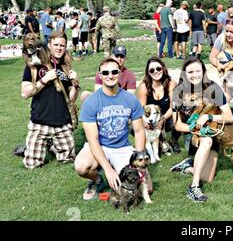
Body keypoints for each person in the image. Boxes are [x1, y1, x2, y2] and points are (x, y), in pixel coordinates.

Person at [74, 58, 145, 200]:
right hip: (100, 146)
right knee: (81, 167)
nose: (110, 75)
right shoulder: (91, 102)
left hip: (122, 147)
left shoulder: (130, 99)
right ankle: (97, 180)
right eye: (105, 72)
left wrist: (139, 160)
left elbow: (139, 132)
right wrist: (108, 169)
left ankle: (118, 172)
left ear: (119, 73)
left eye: (114, 72)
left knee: (144, 187)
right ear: (100, 75)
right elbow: (92, 140)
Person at [169, 57, 233, 202]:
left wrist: (208, 118)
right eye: (190, 71)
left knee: (208, 178)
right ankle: (194, 187)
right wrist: (198, 129)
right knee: (206, 140)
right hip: (191, 136)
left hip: (213, 131)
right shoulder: (178, 93)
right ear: (184, 73)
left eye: (198, 70)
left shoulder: (213, 88)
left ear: (203, 71)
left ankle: (187, 167)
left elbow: (229, 117)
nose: (194, 75)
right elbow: (177, 125)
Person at [21, 31, 79, 169]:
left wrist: (75, 83)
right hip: (40, 122)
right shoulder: (36, 66)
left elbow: (72, 99)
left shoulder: (66, 67)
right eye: (56, 45)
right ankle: (30, 148)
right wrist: (45, 79)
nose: (59, 48)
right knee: (31, 164)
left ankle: (52, 146)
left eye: (62, 45)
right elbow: (24, 93)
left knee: (68, 159)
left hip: (62, 123)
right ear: (49, 45)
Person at [136, 57, 180, 153]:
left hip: (167, 118)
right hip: (150, 119)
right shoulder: (144, 86)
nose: (156, 72)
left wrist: (163, 118)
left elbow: (173, 106)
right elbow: (140, 108)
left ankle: (173, 140)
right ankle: (148, 142)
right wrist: (145, 121)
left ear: (163, 69)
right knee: (135, 123)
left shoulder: (171, 84)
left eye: (158, 69)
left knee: (179, 114)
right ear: (148, 73)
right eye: (152, 70)